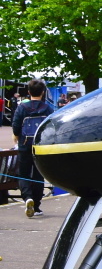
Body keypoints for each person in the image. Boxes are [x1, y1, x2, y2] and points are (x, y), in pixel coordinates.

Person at [11, 78, 54, 218]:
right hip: (40, 146)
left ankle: (27, 197)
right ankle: (36, 205)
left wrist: (17, 136)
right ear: (42, 92)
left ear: (28, 92)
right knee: (38, 174)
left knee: (23, 173)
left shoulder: (22, 107)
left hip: (24, 144)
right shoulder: (47, 108)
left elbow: (16, 125)